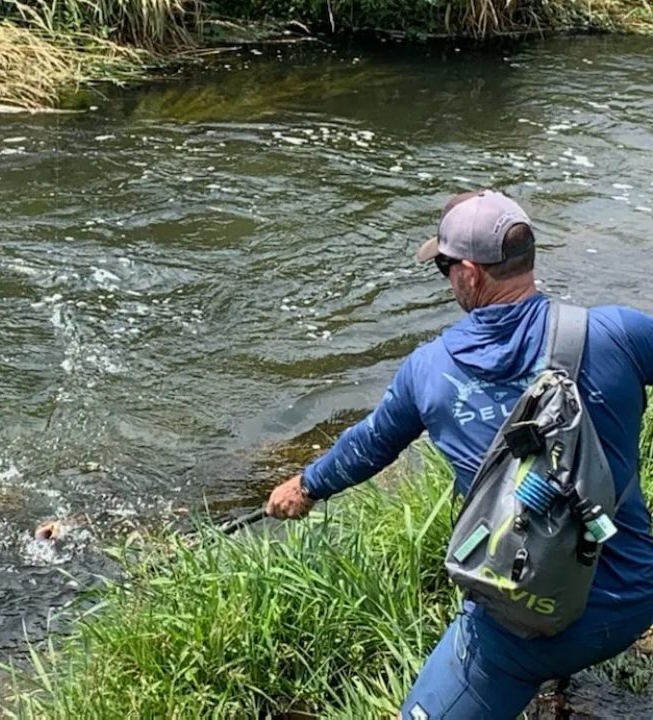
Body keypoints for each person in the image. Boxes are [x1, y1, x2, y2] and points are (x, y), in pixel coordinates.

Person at [265, 189, 653, 719]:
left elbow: (369, 445)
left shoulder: (428, 371)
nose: (447, 278)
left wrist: (305, 486)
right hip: (635, 590)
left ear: (470, 274)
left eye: (444, 267)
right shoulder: (621, 332)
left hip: (525, 625)